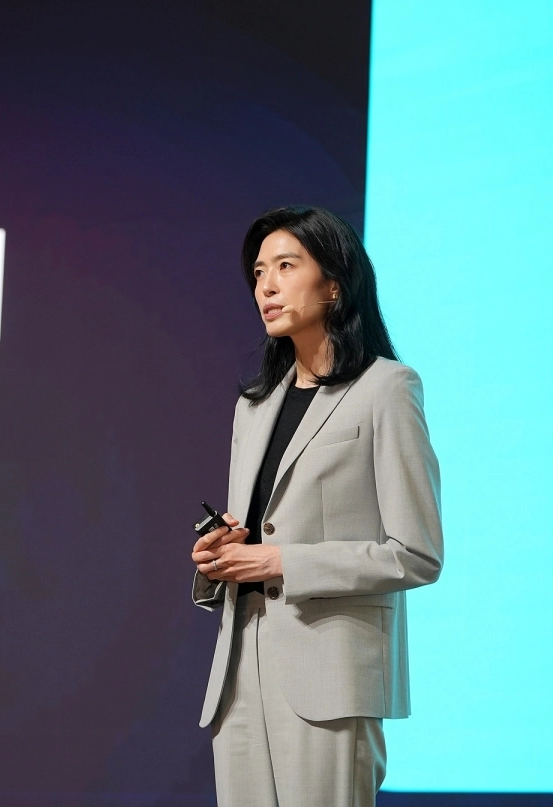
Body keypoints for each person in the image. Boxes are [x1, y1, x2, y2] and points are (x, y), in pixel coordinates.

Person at [189, 206, 443, 807]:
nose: (266, 286)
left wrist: (281, 562)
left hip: (330, 677)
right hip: (240, 672)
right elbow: (254, 539)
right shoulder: (253, 407)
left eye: (285, 266)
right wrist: (218, 559)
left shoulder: (387, 388)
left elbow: (416, 554)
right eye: (258, 273)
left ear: (334, 284)